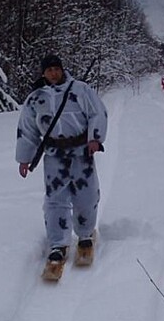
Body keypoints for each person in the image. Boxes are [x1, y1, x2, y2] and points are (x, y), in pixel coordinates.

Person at [15, 54, 107, 266]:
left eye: (56, 69)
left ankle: (85, 234)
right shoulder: (36, 97)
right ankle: (58, 242)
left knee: (86, 194)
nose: (53, 73)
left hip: (81, 152)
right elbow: (27, 129)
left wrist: (95, 138)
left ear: (62, 69)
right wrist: (24, 158)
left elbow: (97, 113)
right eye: (49, 70)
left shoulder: (80, 90)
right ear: (43, 73)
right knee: (55, 198)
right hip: (54, 154)